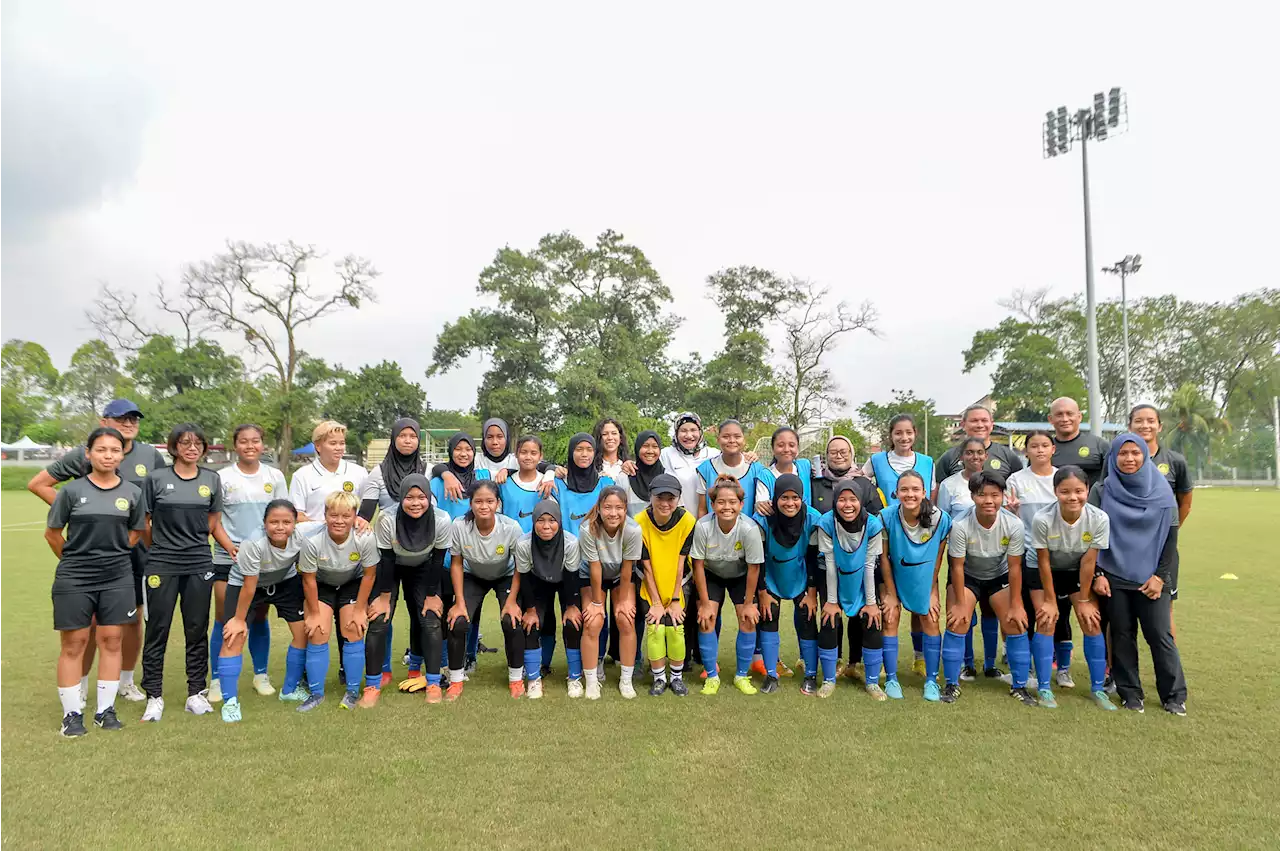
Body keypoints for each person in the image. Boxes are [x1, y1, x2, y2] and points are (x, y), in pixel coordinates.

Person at [29, 398, 165, 705]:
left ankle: (126, 682)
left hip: (134, 550)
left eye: (134, 418)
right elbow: (38, 484)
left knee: (131, 620)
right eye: (121, 418)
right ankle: (80, 683)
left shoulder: (150, 455)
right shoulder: (84, 452)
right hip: (88, 555)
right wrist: (79, 511)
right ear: (104, 422)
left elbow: (155, 504)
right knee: (88, 622)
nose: (129, 423)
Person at [44, 427, 146, 736]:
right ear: (88, 454)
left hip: (118, 575)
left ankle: (105, 710)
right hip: (75, 576)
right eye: (101, 449)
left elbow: (135, 532)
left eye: (114, 450)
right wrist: (75, 561)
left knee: (112, 639)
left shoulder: (132, 492)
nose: (108, 455)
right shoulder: (71, 491)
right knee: (74, 643)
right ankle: (71, 715)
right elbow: (52, 534)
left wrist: (111, 556)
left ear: (121, 455)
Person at [140, 424, 237, 722]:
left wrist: (230, 548)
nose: (192, 448)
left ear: (204, 448)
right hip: (161, 564)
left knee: (196, 629)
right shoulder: (156, 479)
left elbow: (213, 520)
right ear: (173, 447)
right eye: (185, 443)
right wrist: (162, 548)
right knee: (158, 629)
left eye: (198, 444)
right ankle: (154, 696)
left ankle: (196, 693)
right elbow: (145, 524)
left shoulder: (211, 479)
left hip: (198, 563)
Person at [1088, 434, 1187, 715]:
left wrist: (1160, 577)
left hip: (1151, 579)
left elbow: (1170, 538)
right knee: (1121, 634)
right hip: (1113, 575)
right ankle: (1130, 692)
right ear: (1114, 458)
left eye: (1135, 453)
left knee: (1159, 635)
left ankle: (1174, 695)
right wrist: (1097, 574)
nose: (1129, 458)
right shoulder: (1102, 490)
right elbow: (1093, 537)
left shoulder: (1162, 491)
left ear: (1144, 455)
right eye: (1123, 453)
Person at [208, 423, 287, 704]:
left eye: (255, 441)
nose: (250, 446)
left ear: (262, 445)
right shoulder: (221, 477)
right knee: (225, 618)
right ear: (235, 445)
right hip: (227, 556)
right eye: (243, 441)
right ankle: (216, 679)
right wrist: (230, 546)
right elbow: (214, 521)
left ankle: (261, 675)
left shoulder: (275, 476)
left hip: (264, 559)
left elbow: (282, 519)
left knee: (259, 616)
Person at [942, 471, 1034, 706]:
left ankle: (1020, 686)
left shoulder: (1013, 524)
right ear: (973, 497)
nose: (989, 501)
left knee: (1015, 622)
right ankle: (952, 684)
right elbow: (957, 567)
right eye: (982, 495)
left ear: (1003, 496)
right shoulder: (960, 524)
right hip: (968, 576)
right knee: (958, 620)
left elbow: (1014, 568)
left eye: (995, 495)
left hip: (998, 576)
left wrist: (1016, 605)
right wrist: (962, 605)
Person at [215, 500, 310, 722]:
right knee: (233, 636)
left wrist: (358, 521)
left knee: (303, 633)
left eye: (286, 522)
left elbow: (328, 523)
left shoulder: (302, 534)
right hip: (247, 585)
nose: (280, 527)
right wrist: (239, 620)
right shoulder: (253, 543)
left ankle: (289, 690)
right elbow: (249, 584)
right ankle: (230, 702)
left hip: (285, 582)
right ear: (264, 523)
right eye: (273, 522)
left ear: (296, 523)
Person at [1030, 466, 1116, 711]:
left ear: (1088, 490)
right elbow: (1043, 561)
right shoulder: (1042, 519)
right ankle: (1044, 688)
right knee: (1047, 619)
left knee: (1091, 621)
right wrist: (1049, 599)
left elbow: (1089, 561)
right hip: (1042, 571)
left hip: (1075, 571)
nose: (1073, 497)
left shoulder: (1099, 518)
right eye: (1065, 491)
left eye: (1079, 491)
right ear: (1055, 491)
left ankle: (1098, 689)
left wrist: (1085, 600)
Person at [366, 474, 453, 706]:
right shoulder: (386, 519)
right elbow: (385, 560)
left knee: (429, 618)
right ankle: (372, 684)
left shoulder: (442, 520)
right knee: (379, 620)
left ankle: (432, 681)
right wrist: (384, 597)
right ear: (401, 498)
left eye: (421, 497)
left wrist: (432, 595)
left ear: (429, 498)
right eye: (410, 497)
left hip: (424, 568)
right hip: (391, 568)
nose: (416, 503)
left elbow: (438, 559)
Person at [296, 490, 379, 712]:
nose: (339, 521)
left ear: (355, 517)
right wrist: (313, 613)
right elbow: (309, 580)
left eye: (346, 515)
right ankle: (316, 693)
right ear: (325, 515)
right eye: (333, 515)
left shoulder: (365, 537)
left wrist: (360, 609)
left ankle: (352, 691)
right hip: (321, 584)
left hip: (352, 582)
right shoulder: (313, 540)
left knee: (353, 628)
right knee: (318, 630)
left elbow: (370, 575)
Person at [358, 418, 426, 687]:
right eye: (403, 436)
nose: (408, 440)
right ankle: (383, 669)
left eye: (413, 436)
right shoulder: (378, 472)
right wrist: (360, 522)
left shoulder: (428, 469)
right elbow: (365, 513)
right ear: (394, 438)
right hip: (386, 553)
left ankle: (415, 667)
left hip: (420, 552)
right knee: (382, 611)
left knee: (419, 612)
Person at [808, 434, 881, 679]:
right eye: (833, 452)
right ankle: (835, 661)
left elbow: (874, 519)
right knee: (831, 609)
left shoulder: (865, 483)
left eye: (843, 451)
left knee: (861, 613)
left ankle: (855, 663)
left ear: (852, 455)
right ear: (826, 456)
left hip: (859, 561)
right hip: (826, 560)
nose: (838, 455)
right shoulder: (815, 482)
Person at [444, 480, 527, 699]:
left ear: (498, 503)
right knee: (458, 621)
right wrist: (459, 602)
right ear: (470, 504)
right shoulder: (460, 525)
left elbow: (520, 566)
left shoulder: (511, 527)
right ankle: (455, 680)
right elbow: (456, 564)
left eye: (489, 501)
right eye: (478, 501)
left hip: (506, 575)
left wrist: (511, 602)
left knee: (512, 620)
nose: (484, 506)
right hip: (474, 576)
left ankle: (516, 678)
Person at [878, 470, 952, 701]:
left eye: (915, 489)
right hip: (893, 577)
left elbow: (938, 559)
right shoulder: (885, 517)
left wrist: (931, 591)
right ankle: (891, 678)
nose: (910, 494)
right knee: (890, 616)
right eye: (904, 489)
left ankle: (931, 679)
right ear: (896, 493)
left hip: (923, 578)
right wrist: (890, 593)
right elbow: (884, 558)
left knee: (930, 617)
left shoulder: (940, 518)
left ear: (924, 492)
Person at [935, 436, 1003, 683]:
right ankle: (966, 663)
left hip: (993, 560)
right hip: (961, 559)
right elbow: (943, 521)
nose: (975, 457)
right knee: (963, 612)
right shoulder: (950, 485)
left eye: (979, 452)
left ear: (986, 455)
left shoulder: (995, 483)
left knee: (990, 611)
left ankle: (990, 664)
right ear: (961, 456)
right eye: (969, 453)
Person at [691, 474, 765, 696]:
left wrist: (749, 603)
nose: (726, 507)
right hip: (711, 574)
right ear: (712, 504)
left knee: (748, 618)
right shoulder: (703, 526)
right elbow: (698, 565)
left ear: (741, 504)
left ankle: (742, 675)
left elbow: (753, 568)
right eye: (721, 502)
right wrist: (704, 603)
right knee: (706, 619)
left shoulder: (749, 528)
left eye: (732, 502)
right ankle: (711, 676)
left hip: (740, 574)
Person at [1005, 430, 1067, 693]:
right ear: (1026, 451)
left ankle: (1062, 668)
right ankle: (1026, 665)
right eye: (1034, 446)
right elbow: (1009, 517)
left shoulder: (1062, 477)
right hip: (1027, 554)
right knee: (1029, 612)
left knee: (1060, 614)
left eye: (1045, 445)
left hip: (1062, 556)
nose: (1039, 450)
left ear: (1053, 449)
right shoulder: (1016, 480)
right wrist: (1013, 511)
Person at [427, 432, 494, 676]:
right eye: (458, 449)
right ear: (451, 452)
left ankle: (470, 656)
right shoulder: (437, 481)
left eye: (468, 449)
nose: (464, 453)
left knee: (471, 610)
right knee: (447, 608)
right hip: (447, 556)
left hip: (476, 556)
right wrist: (445, 474)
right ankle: (446, 660)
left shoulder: (483, 476)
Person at [813, 479, 885, 699]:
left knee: (871, 621)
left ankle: (872, 682)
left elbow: (869, 565)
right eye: (842, 499)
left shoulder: (872, 524)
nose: (847, 504)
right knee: (829, 619)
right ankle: (828, 680)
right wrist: (832, 601)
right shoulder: (826, 522)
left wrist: (872, 603)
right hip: (833, 577)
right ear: (835, 501)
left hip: (863, 579)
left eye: (852, 499)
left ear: (861, 500)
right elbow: (830, 564)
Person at [751, 474, 821, 694]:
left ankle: (810, 674)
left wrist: (811, 593)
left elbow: (813, 559)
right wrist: (762, 591)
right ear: (774, 499)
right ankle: (771, 674)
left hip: (801, 577)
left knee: (807, 620)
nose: (790, 503)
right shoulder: (762, 519)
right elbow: (758, 558)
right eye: (784, 498)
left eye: (795, 498)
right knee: (768, 620)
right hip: (771, 577)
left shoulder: (812, 518)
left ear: (802, 498)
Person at [1128, 404, 1194, 636]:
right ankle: (1113, 669)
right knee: (1118, 613)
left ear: (1159, 426)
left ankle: (1169, 670)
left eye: (1150, 420)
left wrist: (1168, 532)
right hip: (1125, 548)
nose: (1145, 425)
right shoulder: (1118, 459)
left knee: (1164, 610)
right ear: (1130, 426)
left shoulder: (1175, 461)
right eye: (1138, 421)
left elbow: (1185, 502)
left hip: (1161, 550)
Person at [574, 486, 644, 699]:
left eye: (619, 508)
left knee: (625, 619)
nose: (613, 513)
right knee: (593, 622)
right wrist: (596, 603)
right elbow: (595, 567)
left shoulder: (633, 530)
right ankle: (592, 680)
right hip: (591, 575)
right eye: (608, 507)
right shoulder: (588, 529)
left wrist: (622, 601)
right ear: (599, 508)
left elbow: (627, 569)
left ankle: (626, 680)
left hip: (620, 575)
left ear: (625, 509)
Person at [512, 501, 582, 699]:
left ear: (559, 522)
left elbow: (571, 577)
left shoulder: (570, 542)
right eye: (540, 521)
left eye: (552, 521)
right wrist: (531, 610)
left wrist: (571, 606)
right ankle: (535, 677)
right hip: (537, 582)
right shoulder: (524, 544)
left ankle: (574, 677)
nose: (546, 526)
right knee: (534, 623)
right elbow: (524, 578)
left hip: (564, 580)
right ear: (533, 522)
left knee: (572, 622)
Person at [635, 474, 697, 696]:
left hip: (678, 584)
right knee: (655, 627)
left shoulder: (687, 521)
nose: (665, 503)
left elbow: (682, 564)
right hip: (650, 584)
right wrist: (656, 602)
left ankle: (677, 678)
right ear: (650, 497)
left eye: (670, 498)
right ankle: (659, 678)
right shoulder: (639, 521)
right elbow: (646, 566)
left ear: (678, 498)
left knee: (675, 628)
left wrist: (676, 599)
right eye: (659, 497)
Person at [288, 421, 370, 527]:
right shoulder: (301, 476)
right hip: (313, 540)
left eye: (342, 443)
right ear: (318, 446)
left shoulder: (359, 473)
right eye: (333, 443)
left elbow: (365, 510)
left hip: (350, 539)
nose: (339, 448)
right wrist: (325, 529)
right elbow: (296, 514)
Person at [695, 420, 773, 519]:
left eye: (737, 436)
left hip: (748, 532)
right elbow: (702, 509)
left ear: (744, 440)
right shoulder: (705, 469)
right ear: (718, 440)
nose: (732, 440)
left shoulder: (757, 469)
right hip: (714, 532)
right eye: (726, 437)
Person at [936, 404, 1023, 479]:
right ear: (963, 425)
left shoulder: (1009, 456)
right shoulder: (949, 458)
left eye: (984, 420)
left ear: (991, 424)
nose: (980, 425)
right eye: (974, 421)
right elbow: (939, 492)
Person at [863, 414, 935, 504]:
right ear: (891, 435)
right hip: (887, 517)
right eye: (898, 433)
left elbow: (932, 494)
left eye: (909, 432)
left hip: (920, 517)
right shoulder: (876, 460)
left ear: (915, 434)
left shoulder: (928, 463)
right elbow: (859, 483)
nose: (904, 438)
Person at [659, 412, 719, 516]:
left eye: (693, 430)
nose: (689, 435)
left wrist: (748, 456)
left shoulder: (714, 455)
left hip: (709, 523)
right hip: (677, 522)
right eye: (683, 431)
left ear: (700, 432)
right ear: (676, 433)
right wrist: (627, 464)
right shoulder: (665, 455)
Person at [1048, 397, 1111, 487]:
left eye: (1069, 414)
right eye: (1059, 414)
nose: (1065, 419)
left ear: (1079, 417)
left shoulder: (1099, 446)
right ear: (1050, 419)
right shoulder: (1044, 450)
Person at [621, 430, 665, 517]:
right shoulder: (624, 478)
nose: (650, 451)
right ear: (637, 448)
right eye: (645, 446)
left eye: (655, 446)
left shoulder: (667, 478)